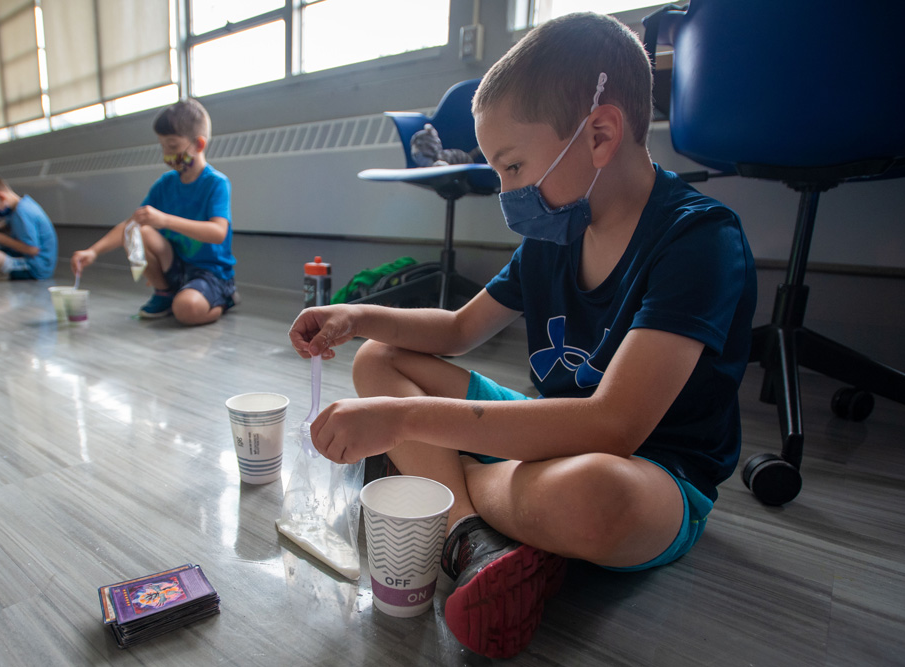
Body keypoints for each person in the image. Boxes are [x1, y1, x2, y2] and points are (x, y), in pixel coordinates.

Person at [289, 12, 757, 660]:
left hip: (655, 471)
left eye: (512, 165)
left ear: (599, 134)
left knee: (597, 494)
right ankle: (471, 536)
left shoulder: (698, 240)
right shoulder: (552, 236)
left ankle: (443, 491)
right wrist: (357, 317)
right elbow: (456, 329)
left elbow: (613, 427)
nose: (504, 190)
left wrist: (404, 427)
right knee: (381, 358)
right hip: (545, 430)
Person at [71, 98, 238, 325]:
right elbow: (130, 225)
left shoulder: (216, 183)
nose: (165, 153)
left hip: (210, 272)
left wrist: (165, 220)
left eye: (172, 147)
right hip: (176, 266)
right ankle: (165, 293)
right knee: (139, 230)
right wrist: (93, 251)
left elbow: (218, 232)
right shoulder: (165, 184)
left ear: (198, 145)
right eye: (162, 146)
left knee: (186, 310)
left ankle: (223, 298)